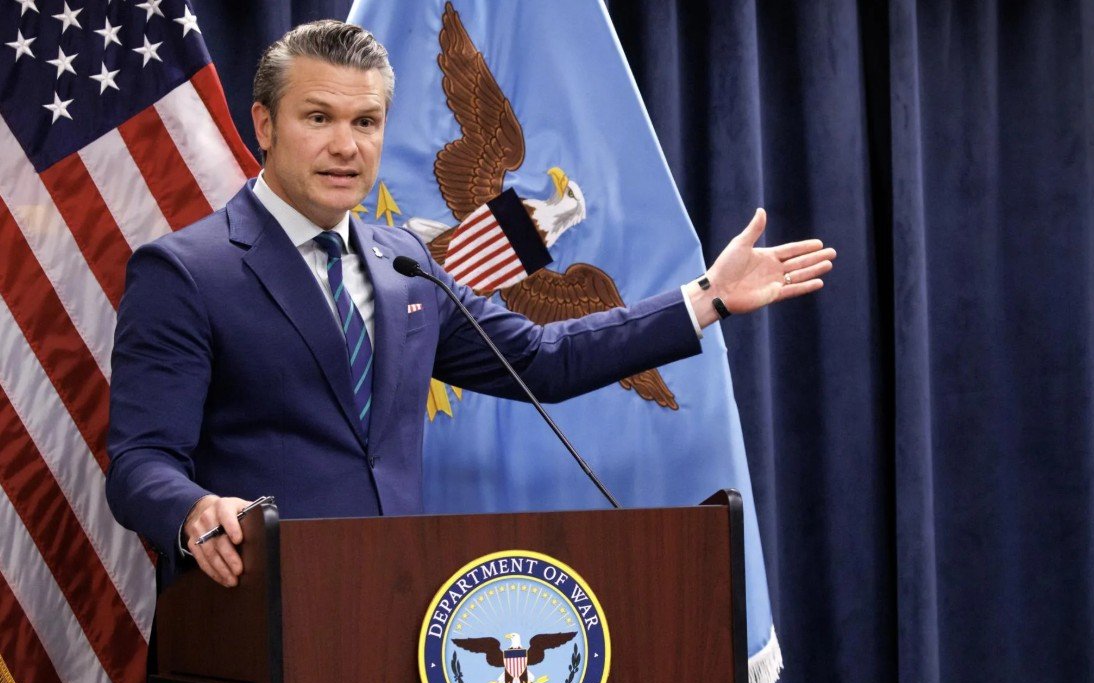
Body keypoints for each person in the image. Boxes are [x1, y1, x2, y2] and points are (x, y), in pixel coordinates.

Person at [106, 20, 835, 589]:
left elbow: (542, 360)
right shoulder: (186, 271)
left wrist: (705, 298)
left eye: (365, 122)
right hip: (255, 627)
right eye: (318, 118)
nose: (346, 146)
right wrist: (194, 510)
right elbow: (141, 461)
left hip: (394, 614)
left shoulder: (403, 262)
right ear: (264, 126)